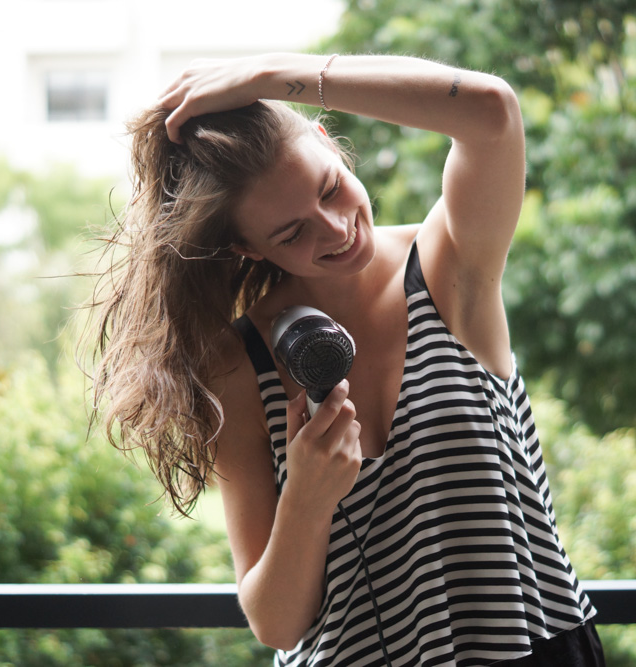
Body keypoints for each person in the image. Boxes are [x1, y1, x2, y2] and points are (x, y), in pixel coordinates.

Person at [87, 52, 605, 666]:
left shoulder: (450, 265)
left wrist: (274, 76)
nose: (335, 230)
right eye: (291, 233)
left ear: (326, 142)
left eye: (329, 189)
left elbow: (492, 113)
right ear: (246, 248)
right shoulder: (238, 365)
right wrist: (307, 496)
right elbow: (276, 625)